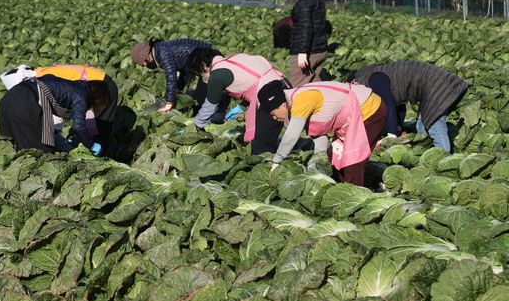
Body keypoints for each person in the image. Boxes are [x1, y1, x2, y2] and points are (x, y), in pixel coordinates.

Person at [258, 80, 387, 187]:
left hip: (369, 110)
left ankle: (355, 197)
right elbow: (319, 136)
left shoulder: (302, 99)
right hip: (352, 119)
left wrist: (277, 161)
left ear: (281, 105)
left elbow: (291, 135)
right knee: (336, 158)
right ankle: (343, 190)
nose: (274, 119)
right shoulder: (295, 103)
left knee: (352, 162)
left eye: (273, 114)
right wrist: (319, 161)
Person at [186, 48, 289, 155]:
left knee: (259, 148)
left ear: (203, 64)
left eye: (199, 73)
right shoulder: (233, 59)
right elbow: (253, 81)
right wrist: (241, 107)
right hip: (283, 86)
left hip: (272, 98)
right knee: (267, 138)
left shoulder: (217, 75)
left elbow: (210, 106)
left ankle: (273, 167)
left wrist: (196, 126)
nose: (201, 77)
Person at [354, 60, 469, 153]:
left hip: (436, 84)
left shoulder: (374, 78)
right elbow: (399, 106)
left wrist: (392, 136)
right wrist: (398, 129)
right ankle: (427, 154)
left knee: (435, 125)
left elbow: (389, 106)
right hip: (436, 83)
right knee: (421, 127)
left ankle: (444, 155)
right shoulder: (381, 74)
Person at [0, 74, 109, 156]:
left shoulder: (71, 85)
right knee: (39, 154)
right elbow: (79, 126)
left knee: (12, 146)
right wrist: (91, 145)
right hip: (26, 102)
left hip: (8, 98)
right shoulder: (81, 95)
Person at [35, 64, 118, 153]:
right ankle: (92, 143)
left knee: (101, 126)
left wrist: (91, 143)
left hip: (101, 85)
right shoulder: (40, 72)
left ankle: (104, 152)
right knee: (90, 123)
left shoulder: (40, 81)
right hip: (92, 84)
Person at [130, 38, 216, 113]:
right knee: (203, 95)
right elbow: (185, 69)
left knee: (204, 95)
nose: (145, 66)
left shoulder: (161, 53)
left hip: (208, 59)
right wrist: (178, 90)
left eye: (143, 64)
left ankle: (218, 115)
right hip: (205, 58)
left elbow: (171, 75)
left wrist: (170, 101)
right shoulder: (159, 49)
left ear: (146, 58)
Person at [288, 0, 330, 87]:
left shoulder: (304, 3)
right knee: (315, 85)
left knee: (296, 87)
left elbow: (305, 28)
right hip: (320, 50)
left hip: (309, 52)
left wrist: (302, 52)